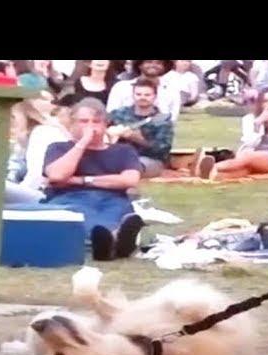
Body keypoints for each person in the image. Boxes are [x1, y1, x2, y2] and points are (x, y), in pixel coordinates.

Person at [43, 98, 144, 261]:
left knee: (120, 213)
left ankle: (110, 242)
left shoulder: (123, 150)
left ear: (105, 125)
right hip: (69, 198)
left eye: (96, 122)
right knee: (81, 214)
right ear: (72, 124)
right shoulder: (58, 148)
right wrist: (83, 143)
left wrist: (80, 180)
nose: (90, 126)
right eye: (84, 121)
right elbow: (57, 175)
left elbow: (130, 180)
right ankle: (114, 241)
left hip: (113, 199)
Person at [198, 87, 268, 180]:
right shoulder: (251, 119)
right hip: (257, 155)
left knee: (248, 157)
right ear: (260, 104)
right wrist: (257, 125)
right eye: (266, 101)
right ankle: (212, 175)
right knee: (244, 170)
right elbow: (248, 145)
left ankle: (205, 168)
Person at [107, 78, 174, 178]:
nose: (142, 97)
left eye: (147, 95)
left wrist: (139, 139)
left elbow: (162, 150)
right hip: (118, 156)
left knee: (136, 166)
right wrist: (111, 134)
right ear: (133, 95)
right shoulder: (118, 114)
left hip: (148, 160)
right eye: (138, 94)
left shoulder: (162, 120)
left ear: (154, 97)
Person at [106, 60, 180, 121]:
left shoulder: (172, 91)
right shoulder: (121, 87)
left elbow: (172, 120)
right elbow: (111, 114)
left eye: (158, 63)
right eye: (149, 62)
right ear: (139, 65)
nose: (153, 65)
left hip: (157, 134)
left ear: (164, 67)